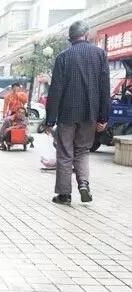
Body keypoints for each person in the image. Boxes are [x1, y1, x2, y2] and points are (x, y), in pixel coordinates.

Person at [45, 20, 110, 205]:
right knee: (82, 150)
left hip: (67, 114)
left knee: (65, 152)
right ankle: (83, 184)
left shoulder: (63, 57)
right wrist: (103, 117)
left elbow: (55, 90)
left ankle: (64, 195)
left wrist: (49, 121)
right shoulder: (100, 55)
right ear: (87, 35)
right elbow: (105, 88)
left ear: (70, 38)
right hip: (90, 114)